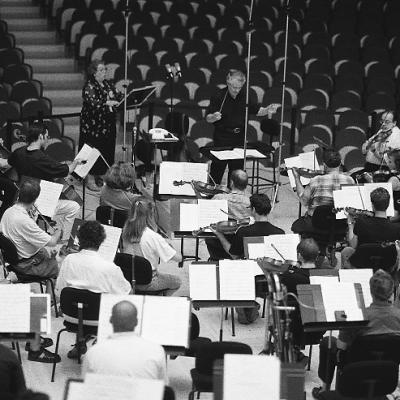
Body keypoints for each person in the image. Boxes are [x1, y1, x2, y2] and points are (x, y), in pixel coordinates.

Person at [312, 269, 400, 399]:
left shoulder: (359, 316)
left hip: (354, 366)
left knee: (327, 342)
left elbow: (341, 347)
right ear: (392, 292)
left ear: (370, 291)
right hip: (387, 368)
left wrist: (343, 326)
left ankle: (325, 389)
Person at [56, 220, 131, 358]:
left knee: (82, 301)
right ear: (101, 241)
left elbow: (59, 290)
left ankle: (80, 342)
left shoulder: (69, 260)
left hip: (71, 316)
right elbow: (125, 292)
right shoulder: (110, 267)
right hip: (99, 319)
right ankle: (103, 345)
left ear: (79, 239)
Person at [213, 193, 283, 324]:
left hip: (248, 276)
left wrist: (219, 235)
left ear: (254, 210)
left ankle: (246, 305)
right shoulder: (279, 232)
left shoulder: (244, 231)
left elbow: (234, 254)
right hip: (269, 276)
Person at [7, 124, 82, 241]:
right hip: (40, 202)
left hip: (22, 196)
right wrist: (76, 162)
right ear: (41, 136)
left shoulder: (18, 152)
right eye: (46, 136)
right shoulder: (42, 158)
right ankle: (65, 240)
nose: (47, 139)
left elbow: (10, 162)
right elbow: (67, 170)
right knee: (75, 206)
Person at [205, 69, 278, 184]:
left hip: (239, 137)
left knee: (236, 171)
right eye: (234, 87)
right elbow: (207, 118)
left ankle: (233, 195)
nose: (236, 90)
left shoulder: (245, 95)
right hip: (222, 137)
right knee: (217, 169)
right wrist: (213, 117)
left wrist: (267, 110)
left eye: (239, 87)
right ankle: (211, 193)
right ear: (228, 82)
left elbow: (258, 111)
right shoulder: (218, 96)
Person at [82, 300, 167, 381]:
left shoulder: (92, 353)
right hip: (141, 396)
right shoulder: (156, 351)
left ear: (111, 320)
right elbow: (163, 389)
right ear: (137, 322)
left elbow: (84, 390)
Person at [122, 196, 182, 296]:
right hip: (148, 281)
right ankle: (158, 300)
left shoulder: (126, 230)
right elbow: (178, 258)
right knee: (177, 281)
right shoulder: (153, 236)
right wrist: (169, 246)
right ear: (151, 214)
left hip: (128, 279)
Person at [279, 238, 324, 361]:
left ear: (299, 255)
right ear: (317, 255)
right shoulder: (325, 276)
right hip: (318, 328)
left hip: (294, 328)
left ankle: (292, 351)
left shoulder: (289, 277)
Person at [79, 60, 121, 191]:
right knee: (92, 151)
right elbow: (93, 103)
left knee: (106, 150)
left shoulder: (108, 84)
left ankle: (102, 176)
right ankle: (89, 178)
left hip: (107, 125)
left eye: (105, 69)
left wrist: (123, 98)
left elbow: (118, 95)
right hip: (93, 126)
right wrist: (107, 103)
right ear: (93, 72)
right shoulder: (89, 85)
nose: (104, 72)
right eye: (101, 70)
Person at [291, 149, 354, 235]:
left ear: (324, 165)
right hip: (340, 225)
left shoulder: (315, 180)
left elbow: (303, 201)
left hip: (316, 225)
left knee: (296, 225)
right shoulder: (349, 180)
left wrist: (297, 178)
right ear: (340, 164)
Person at [341, 187, 400, 268]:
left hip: (363, 265)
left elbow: (353, 245)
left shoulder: (361, 222)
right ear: (388, 204)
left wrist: (350, 224)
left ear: (372, 205)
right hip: (387, 267)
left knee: (347, 250)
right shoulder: (396, 228)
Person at [214, 193, 284, 260]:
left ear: (253, 209)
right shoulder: (280, 233)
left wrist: (219, 235)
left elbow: (235, 256)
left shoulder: (243, 232)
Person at [205, 169, 252, 260]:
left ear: (231, 183)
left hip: (218, 244)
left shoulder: (219, 198)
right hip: (242, 245)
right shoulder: (252, 201)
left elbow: (206, 213)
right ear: (246, 184)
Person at [385, 148, 400, 221]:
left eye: (390, 161)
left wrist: (371, 180)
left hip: (395, 215)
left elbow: (381, 195)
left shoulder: (394, 180)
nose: (387, 164)